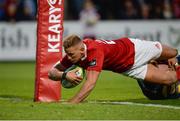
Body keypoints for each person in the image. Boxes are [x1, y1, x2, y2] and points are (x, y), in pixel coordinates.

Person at [48, 34, 179, 104]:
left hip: (135, 50)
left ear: (82, 50)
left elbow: (90, 83)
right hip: (127, 68)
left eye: (71, 54)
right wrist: (65, 75)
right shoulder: (73, 55)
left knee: (173, 52)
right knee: (170, 79)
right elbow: (51, 73)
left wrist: (73, 102)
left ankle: (169, 60)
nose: (69, 58)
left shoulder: (94, 51)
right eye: (67, 54)